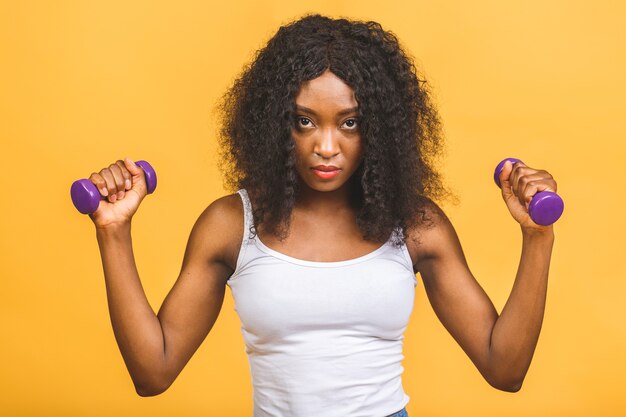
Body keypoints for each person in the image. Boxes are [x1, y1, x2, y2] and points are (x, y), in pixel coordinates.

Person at [87, 14, 557, 417]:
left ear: (377, 128)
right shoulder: (231, 224)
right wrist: (113, 232)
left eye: (349, 122)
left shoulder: (414, 224)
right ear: (275, 123)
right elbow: (153, 373)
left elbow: (504, 369)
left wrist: (538, 236)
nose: (326, 146)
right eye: (304, 120)